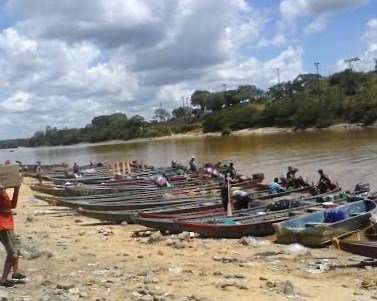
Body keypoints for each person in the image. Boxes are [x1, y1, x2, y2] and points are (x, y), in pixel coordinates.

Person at [0, 183, 25, 287]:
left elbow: (12, 205)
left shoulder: (3, 193)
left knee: (16, 250)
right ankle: (3, 280)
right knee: (13, 253)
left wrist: (16, 190)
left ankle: (16, 273)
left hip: (8, 225)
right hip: (3, 226)